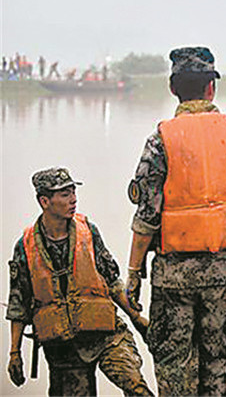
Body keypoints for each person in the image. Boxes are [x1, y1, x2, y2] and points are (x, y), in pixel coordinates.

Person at [125, 46, 226, 396]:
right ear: (212, 87)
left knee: (173, 364)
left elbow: (146, 216)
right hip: (222, 274)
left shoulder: (160, 139)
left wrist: (133, 274)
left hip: (173, 276)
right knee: (215, 362)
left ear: (172, 88)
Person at [5, 167, 153, 396]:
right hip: (63, 348)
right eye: (64, 194)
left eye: (73, 191)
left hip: (106, 335)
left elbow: (112, 281)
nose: (73, 199)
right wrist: (14, 353)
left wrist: (136, 317)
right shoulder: (25, 247)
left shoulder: (88, 232)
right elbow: (18, 304)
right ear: (44, 201)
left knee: (135, 386)